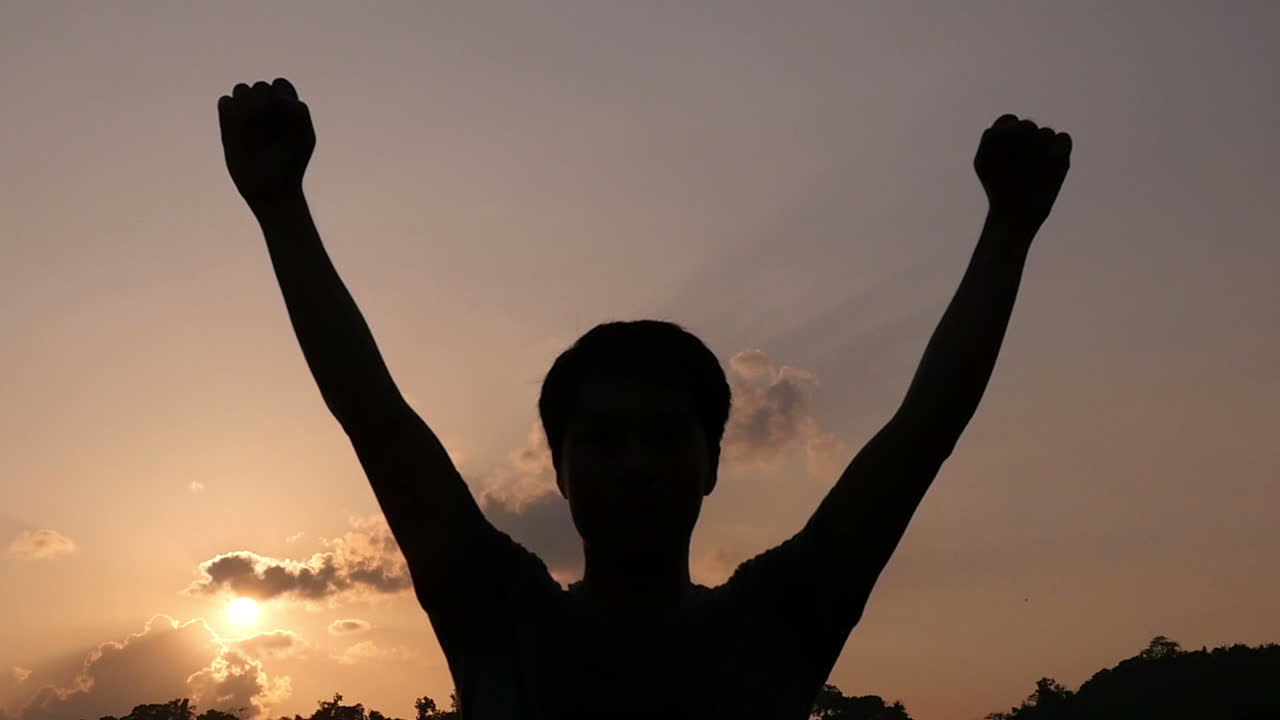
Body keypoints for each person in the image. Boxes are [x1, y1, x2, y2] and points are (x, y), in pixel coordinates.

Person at [218, 77, 1071, 720]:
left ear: (710, 465)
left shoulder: (774, 622)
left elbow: (923, 432)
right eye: (605, 438)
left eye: (665, 438)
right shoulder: (500, 615)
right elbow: (375, 416)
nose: (635, 464)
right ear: (558, 466)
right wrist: (281, 209)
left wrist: (1009, 230)